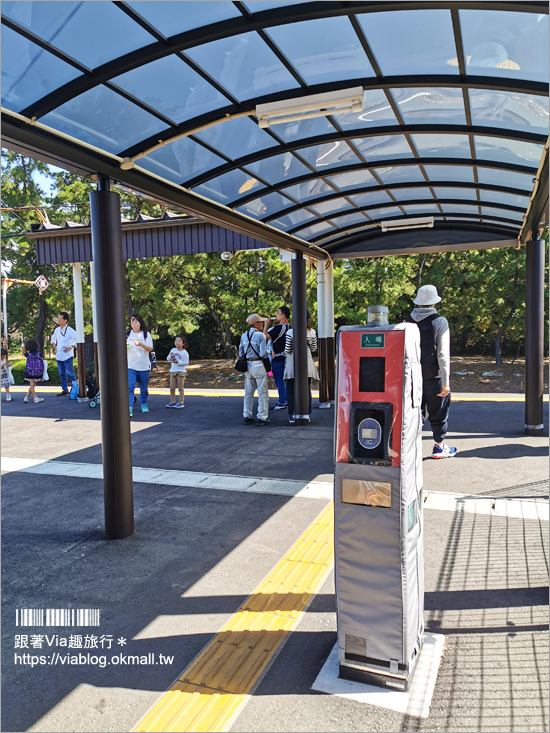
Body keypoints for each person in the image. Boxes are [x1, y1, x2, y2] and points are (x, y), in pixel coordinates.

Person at [406, 284, 457, 459]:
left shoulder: (406, 322)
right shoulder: (440, 321)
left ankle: (409, 448)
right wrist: (446, 381)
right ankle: (439, 446)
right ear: (434, 302)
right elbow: (443, 353)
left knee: (414, 412)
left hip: (412, 376)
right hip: (433, 375)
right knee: (439, 411)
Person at [284, 310, 319, 425]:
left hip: (292, 365)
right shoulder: (312, 332)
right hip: (306, 364)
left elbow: (287, 350)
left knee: (290, 389)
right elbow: (314, 349)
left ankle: (292, 414)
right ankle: (306, 413)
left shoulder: (290, 332)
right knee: (306, 389)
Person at [239, 313, 270, 425]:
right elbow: (262, 353)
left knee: (248, 393)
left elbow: (240, 352)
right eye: (260, 322)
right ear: (256, 324)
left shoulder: (244, 336)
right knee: (262, 393)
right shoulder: (261, 336)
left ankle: (247, 415)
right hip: (258, 365)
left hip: (248, 365)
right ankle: (262, 417)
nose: (262, 324)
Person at [264, 305, 290, 411]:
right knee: (287, 381)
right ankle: (287, 400)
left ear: (283, 315)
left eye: (278, 313)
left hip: (278, 359)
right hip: (288, 358)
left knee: (279, 382)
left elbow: (264, 336)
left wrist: (266, 325)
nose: (276, 315)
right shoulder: (290, 328)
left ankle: (282, 402)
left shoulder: (278, 328)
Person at [126, 314, 153, 417]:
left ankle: (144, 404)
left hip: (144, 365)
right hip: (130, 365)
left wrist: (140, 344)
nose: (134, 324)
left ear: (140, 323)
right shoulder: (127, 334)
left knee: (144, 387)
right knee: (130, 386)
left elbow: (150, 349)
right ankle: (129, 407)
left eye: (136, 322)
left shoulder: (146, 334)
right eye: (132, 322)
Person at [51, 312, 77, 397]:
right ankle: (65, 389)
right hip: (59, 355)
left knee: (70, 372)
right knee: (62, 373)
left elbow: (77, 339)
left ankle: (75, 388)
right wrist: (54, 345)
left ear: (65, 320)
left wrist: (71, 347)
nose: (58, 320)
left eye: (60, 319)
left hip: (67, 355)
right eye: (58, 318)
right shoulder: (57, 330)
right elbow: (53, 338)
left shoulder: (70, 330)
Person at [166, 335, 189, 409]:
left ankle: (180, 402)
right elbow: (168, 359)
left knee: (180, 388)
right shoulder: (173, 350)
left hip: (181, 372)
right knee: (172, 388)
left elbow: (186, 362)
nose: (177, 342)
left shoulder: (185, 352)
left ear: (183, 343)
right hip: (173, 371)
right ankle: (172, 401)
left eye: (179, 341)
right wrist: (171, 355)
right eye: (176, 341)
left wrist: (178, 361)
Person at [22, 339, 44, 404]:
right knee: (33, 385)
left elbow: (23, 353)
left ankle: (29, 397)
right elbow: (42, 360)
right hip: (38, 372)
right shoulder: (39, 354)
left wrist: (23, 348)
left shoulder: (28, 354)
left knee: (31, 385)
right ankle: (33, 398)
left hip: (30, 371)